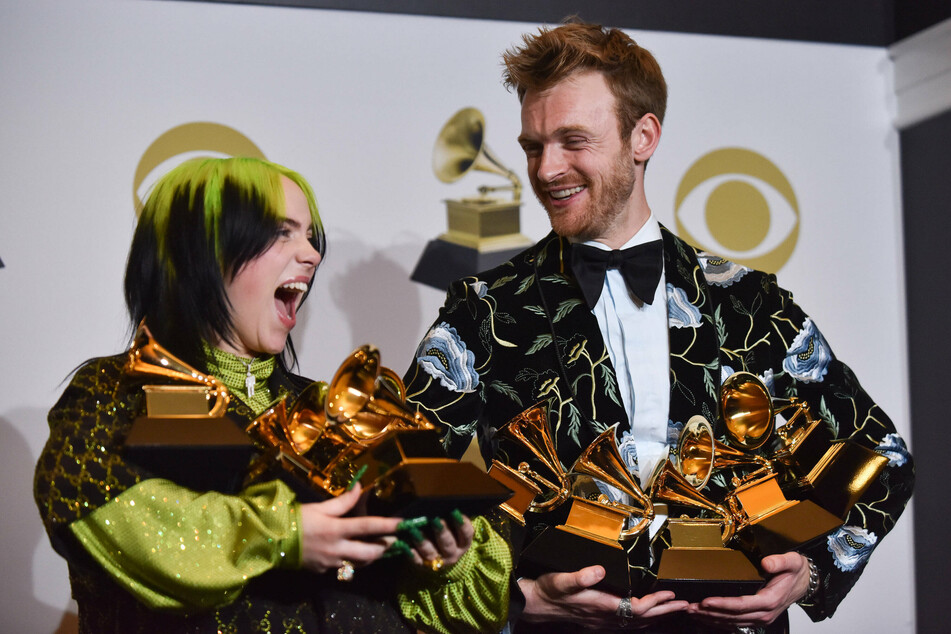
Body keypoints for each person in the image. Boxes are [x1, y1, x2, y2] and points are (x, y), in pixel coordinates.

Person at [403, 20, 914, 633]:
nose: (545, 169)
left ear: (642, 136)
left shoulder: (749, 303)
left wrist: (810, 570)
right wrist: (519, 598)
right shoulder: (484, 311)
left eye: (572, 140)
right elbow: (404, 489)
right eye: (534, 146)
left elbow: (882, 458)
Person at [34, 157, 511, 633]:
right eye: (282, 232)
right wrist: (289, 535)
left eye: (309, 236)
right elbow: (125, 520)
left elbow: (470, 606)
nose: (312, 255)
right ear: (201, 252)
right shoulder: (112, 393)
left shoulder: (335, 408)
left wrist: (448, 559)